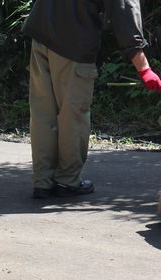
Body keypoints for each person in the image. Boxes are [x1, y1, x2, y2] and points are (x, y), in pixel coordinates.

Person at [23, 0, 161, 199]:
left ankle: (42, 181)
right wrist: (144, 69)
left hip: (41, 33)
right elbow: (124, 11)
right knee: (73, 115)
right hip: (73, 42)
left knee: (43, 113)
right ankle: (67, 181)